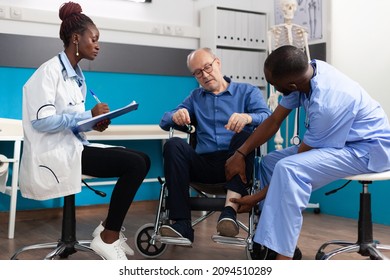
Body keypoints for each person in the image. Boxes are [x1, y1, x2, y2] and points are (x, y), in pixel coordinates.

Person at [225, 45, 390, 259]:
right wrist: (240, 153)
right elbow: (274, 120)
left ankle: (282, 257)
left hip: (369, 149)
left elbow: (298, 160)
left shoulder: (327, 102)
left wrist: (254, 198)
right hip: (343, 141)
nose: (274, 89)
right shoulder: (309, 73)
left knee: (289, 169)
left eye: (275, 85)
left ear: (291, 85)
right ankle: (274, 242)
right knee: (270, 162)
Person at [19, 2, 151, 260]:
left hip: (73, 147)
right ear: (76, 38)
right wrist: (87, 114)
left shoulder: (77, 76)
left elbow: (71, 121)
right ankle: (108, 236)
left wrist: (94, 123)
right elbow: (42, 121)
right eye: (95, 39)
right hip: (53, 153)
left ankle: (106, 229)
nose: (98, 45)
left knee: (143, 159)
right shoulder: (49, 72)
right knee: (134, 165)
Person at [159, 47, 271, 243]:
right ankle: (182, 224)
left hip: (237, 163)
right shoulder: (195, 98)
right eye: (198, 73)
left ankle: (229, 212)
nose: (205, 75)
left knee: (244, 134)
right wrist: (175, 116)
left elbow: (267, 117)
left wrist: (247, 117)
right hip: (204, 165)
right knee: (173, 144)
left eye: (207, 67)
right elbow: (164, 121)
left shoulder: (247, 92)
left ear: (217, 63)